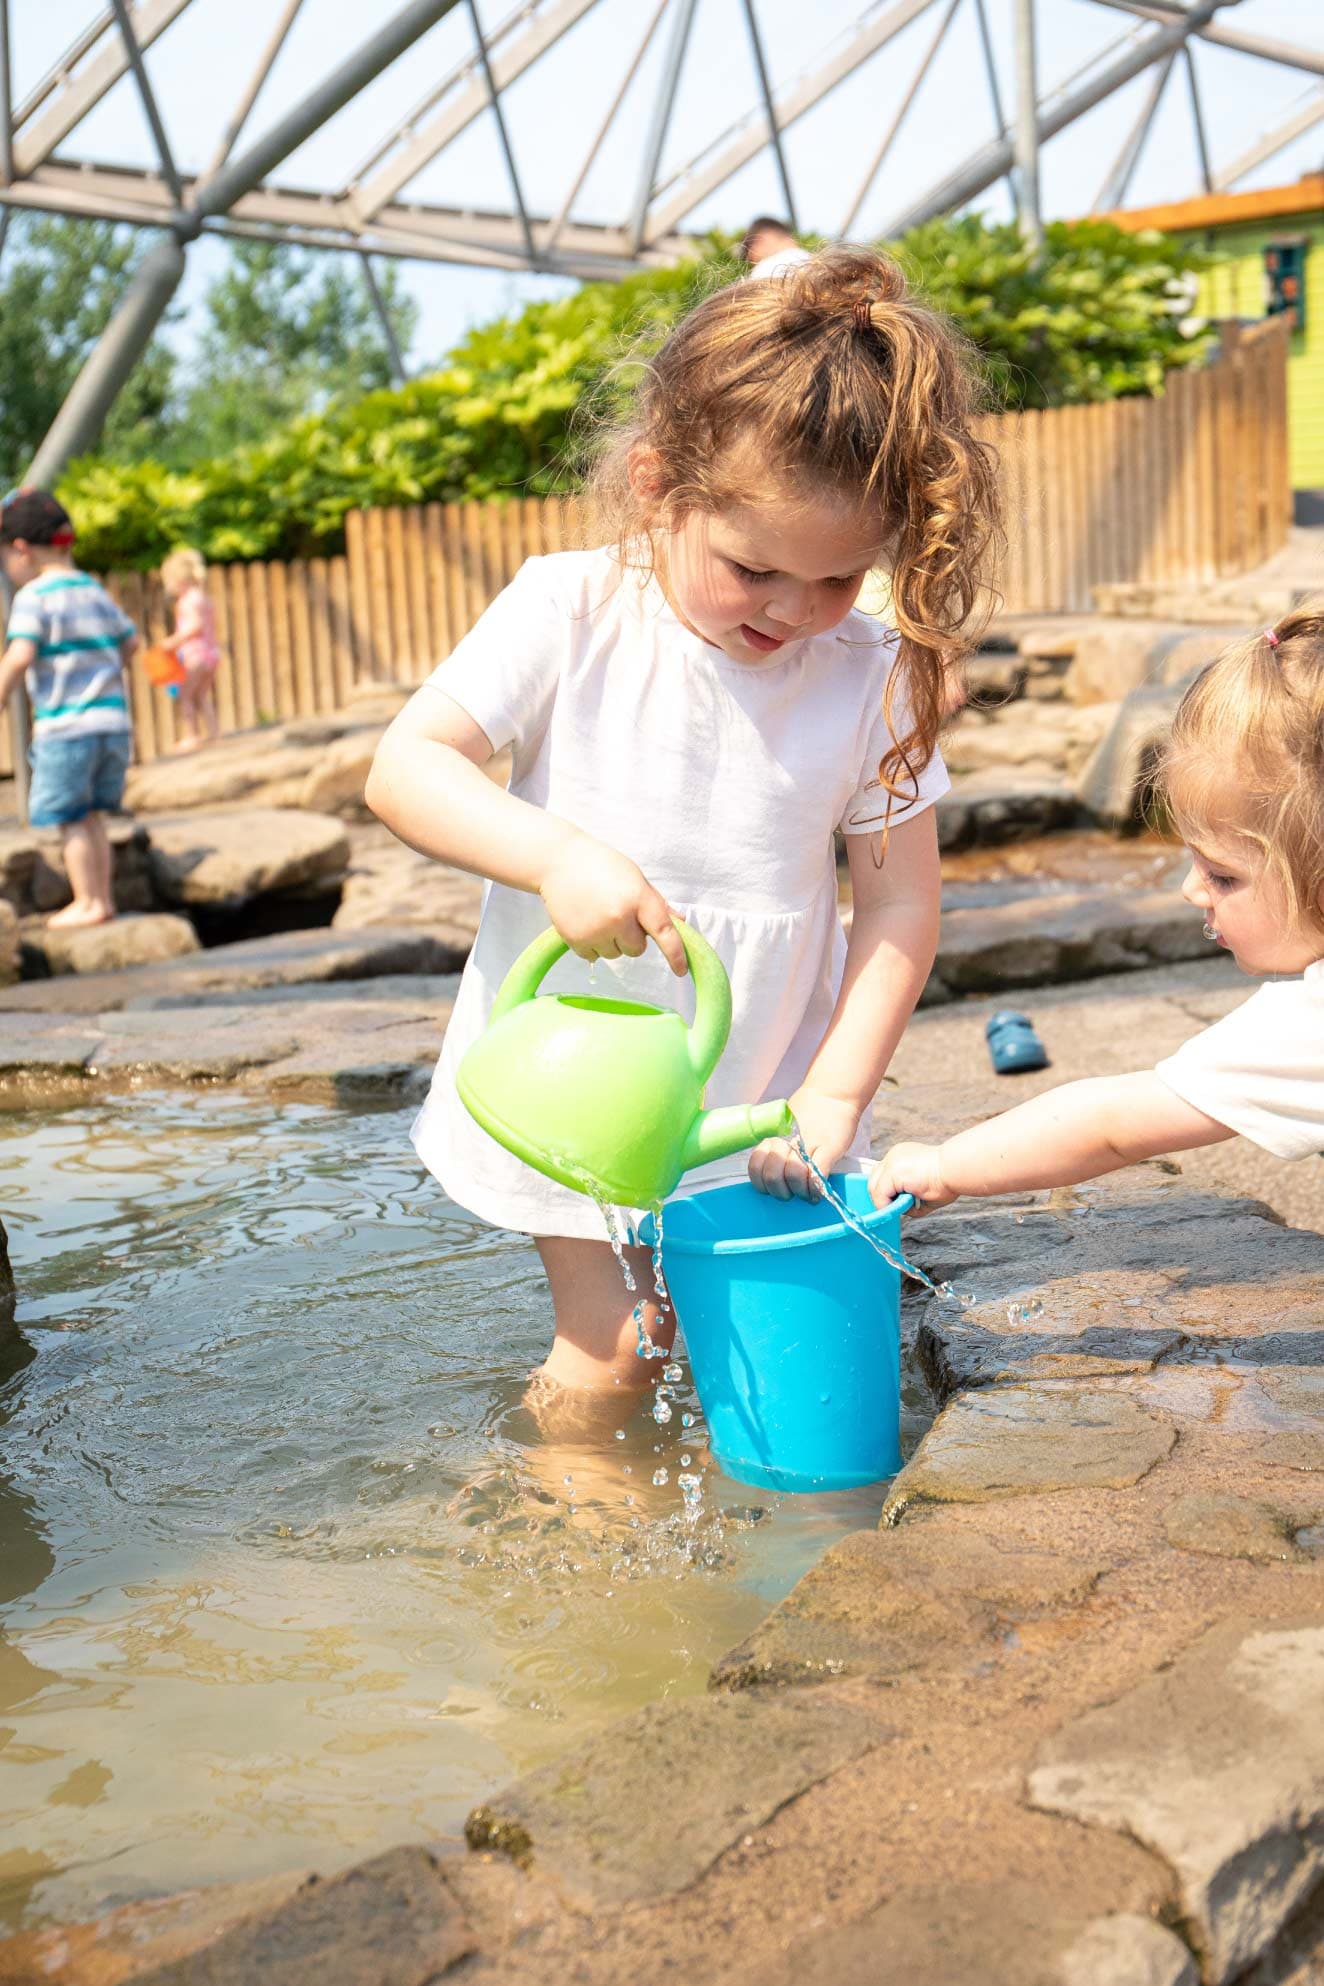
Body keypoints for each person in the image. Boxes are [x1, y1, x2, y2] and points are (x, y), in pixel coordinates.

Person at [367, 247, 1000, 1394]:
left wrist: (834, 1100)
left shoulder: (869, 675)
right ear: (659, 484)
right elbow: (408, 767)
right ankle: (564, 1543)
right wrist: (553, 852)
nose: (791, 611)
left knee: (743, 1350)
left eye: (835, 579)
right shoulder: (571, 609)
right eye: (753, 566)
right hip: (575, 1068)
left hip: (758, 1089)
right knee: (619, 1349)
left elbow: (900, 903)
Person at [870, 612, 1324, 1216]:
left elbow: (1107, 1123)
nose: (1193, 889)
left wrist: (943, 1168)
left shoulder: (1306, 1027)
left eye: (1224, 874)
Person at [0, 489, 138, 929]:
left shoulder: (34, 597)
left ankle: (87, 901)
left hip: (67, 726)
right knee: (92, 817)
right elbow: (130, 642)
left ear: (21, 549)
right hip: (112, 723)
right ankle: (102, 898)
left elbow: (20, 655)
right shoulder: (92, 589)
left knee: (71, 820)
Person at [160, 546, 221, 753]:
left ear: (180, 580)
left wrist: (173, 642)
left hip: (195, 654)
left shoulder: (188, 600)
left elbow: (195, 627)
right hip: (211, 653)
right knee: (202, 695)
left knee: (185, 695)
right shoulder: (203, 597)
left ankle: (191, 736)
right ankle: (214, 734)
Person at [740, 215, 813, 281]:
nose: (750, 259)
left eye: (747, 250)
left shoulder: (766, 269)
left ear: (759, 240)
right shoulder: (816, 261)